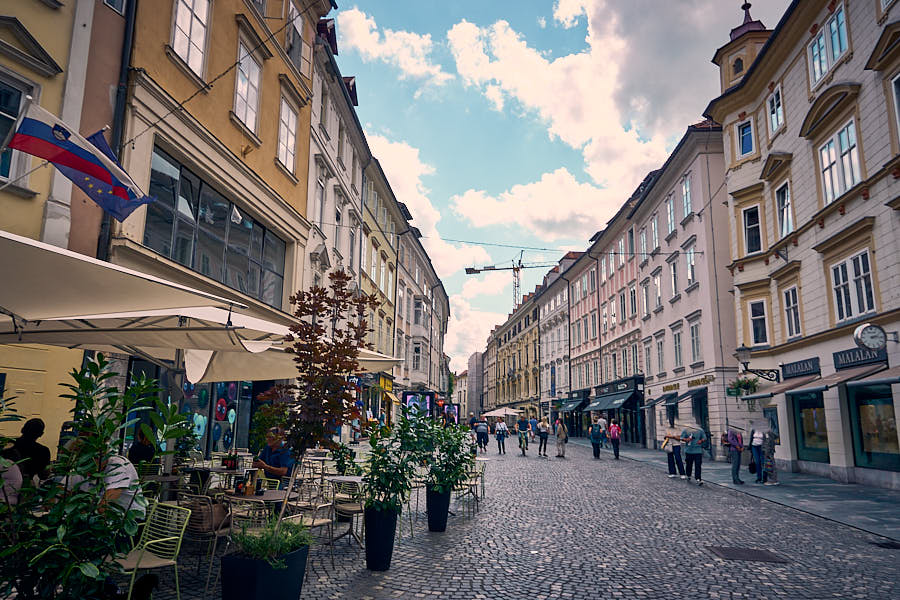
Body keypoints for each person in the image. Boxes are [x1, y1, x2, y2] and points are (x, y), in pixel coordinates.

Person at [12, 418, 51, 482]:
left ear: (22, 429)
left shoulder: (8, 444)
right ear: (41, 434)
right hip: (26, 485)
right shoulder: (43, 451)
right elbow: (43, 475)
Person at [749, 419, 766, 484]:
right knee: (757, 462)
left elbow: (766, 439)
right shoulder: (753, 430)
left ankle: (764, 477)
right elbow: (751, 438)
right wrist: (750, 447)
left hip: (761, 447)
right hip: (754, 446)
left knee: (763, 462)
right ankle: (759, 477)